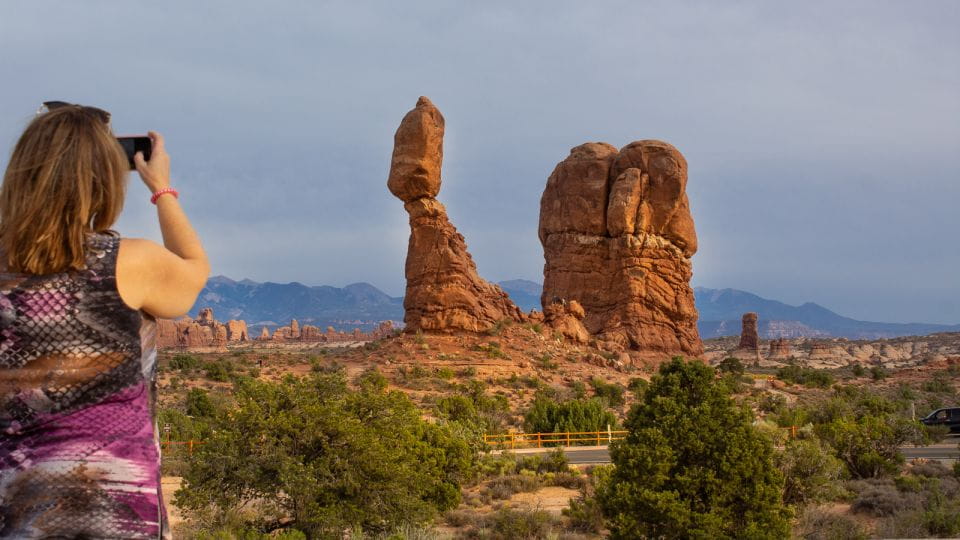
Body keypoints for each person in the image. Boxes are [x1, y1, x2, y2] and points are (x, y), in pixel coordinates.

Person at [0, 102, 209, 539]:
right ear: (103, 181)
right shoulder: (127, 262)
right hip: (113, 507)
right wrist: (162, 189)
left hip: (13, 500)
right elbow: (192, 272)